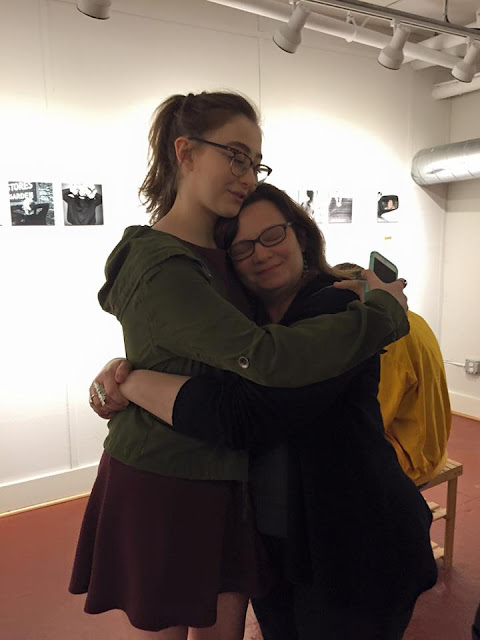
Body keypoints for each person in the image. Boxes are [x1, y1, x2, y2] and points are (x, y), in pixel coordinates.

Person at [72, 90, 410, 640]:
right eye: (235, 156)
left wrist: (131, 379)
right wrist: (386, 314)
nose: (247, 176)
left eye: (255, 162)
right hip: (169, 475)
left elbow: (224, 359)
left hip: (229, 476)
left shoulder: (218, 255)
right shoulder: (164, 262)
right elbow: (263, 357)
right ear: (185, 152)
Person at [336, 262, 452, 486]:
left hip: (412, 459)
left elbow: (372, 422)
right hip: (432, 445)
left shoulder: (386, 342)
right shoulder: (410, 317)